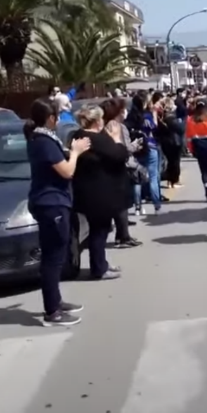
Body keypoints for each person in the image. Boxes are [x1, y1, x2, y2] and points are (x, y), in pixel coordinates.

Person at [24, 98, 91, 326]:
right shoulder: (43, 141)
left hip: (55, 202)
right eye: (57, 117)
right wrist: (75, 152)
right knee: (53, 258)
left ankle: (56, 301)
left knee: (57, 256)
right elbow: (67, 172)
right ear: (51, 118)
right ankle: (51, 312)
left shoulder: (44, 139)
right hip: (51, 204)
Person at [70, 104, 127, 281]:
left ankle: (101, 263)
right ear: (96, 121)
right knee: (100, 230)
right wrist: (117, 138)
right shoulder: (95, 139)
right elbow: (119, 154)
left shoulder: (79, 136)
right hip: (99, 193)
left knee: (99, 229)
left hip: (88, 191)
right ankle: (98, 268)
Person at [100, 98, 143, 248]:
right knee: (122, 204)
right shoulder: (118, 127)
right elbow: (124, 148)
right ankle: (123, 236)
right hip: (121, 167)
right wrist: (136, 145)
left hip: (108, 168)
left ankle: (122, 234)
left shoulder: (103, 125)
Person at [125, 93, 162, 213]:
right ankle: (156, 205)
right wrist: (154, 114)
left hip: (137, 148)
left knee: (137, 178)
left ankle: (137, 206)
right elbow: (154, 128)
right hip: (150, 146)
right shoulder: (147, 116)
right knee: (153, 177)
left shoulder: (130, 117)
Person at [157, 100, 184, 189]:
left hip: (166, 142)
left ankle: (170, 180)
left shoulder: (163, 118)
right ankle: (173, 181)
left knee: (170, 162)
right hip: (174, 143)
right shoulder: (171, 119)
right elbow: (181, 129)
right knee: (175, 163)